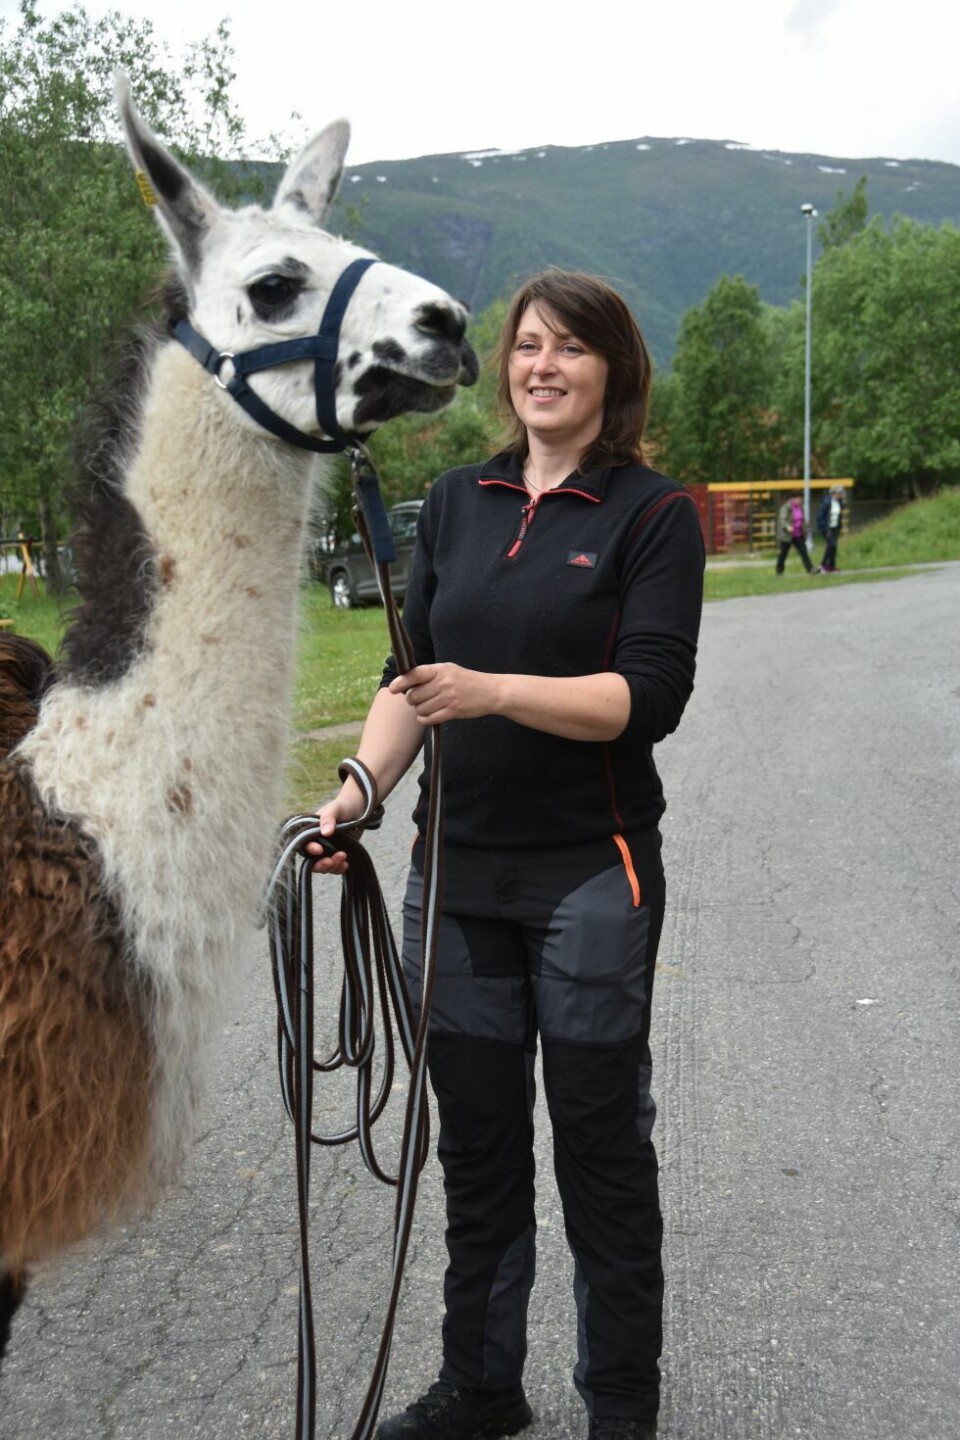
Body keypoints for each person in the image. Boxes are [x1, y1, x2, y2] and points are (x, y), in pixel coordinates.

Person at [311, 269, 705, 1440]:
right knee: (480, 1155)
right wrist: (359, 792)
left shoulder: (652, 513)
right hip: (458, 882)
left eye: (571, 347)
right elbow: (408, 679)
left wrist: (493, 691)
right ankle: (484, 1386)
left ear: (613, 372)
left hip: (590, 878)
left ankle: (619, 1407)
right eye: (529, 344)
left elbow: (647, 698)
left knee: (599, 1152)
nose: (545, 365)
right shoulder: (456, 500)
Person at [774, 494, 818, 575]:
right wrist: (787, 526)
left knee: (803, 551)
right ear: (794, 498)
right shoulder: (786, 507)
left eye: (801, 499)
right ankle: (779, 570)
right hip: (787, 535)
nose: (801, 501)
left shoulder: (800, 508)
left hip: (798, 534)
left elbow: (802, 520)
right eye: (800, 499)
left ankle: (810, 569)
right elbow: (782, 520)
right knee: (783, 553)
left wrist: (806, 529)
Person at [817, 485, 846, 573]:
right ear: (834, 493)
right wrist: (825, 529)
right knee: (831, 545)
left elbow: (839, 515)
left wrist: (839, 526)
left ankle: (831, 566)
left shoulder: (839, 502)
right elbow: (820, 516)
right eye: (840, 493)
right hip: (827, 528)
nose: (841, 495)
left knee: (834, 546)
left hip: (835, 527)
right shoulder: (827, 502)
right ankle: (823, 565)